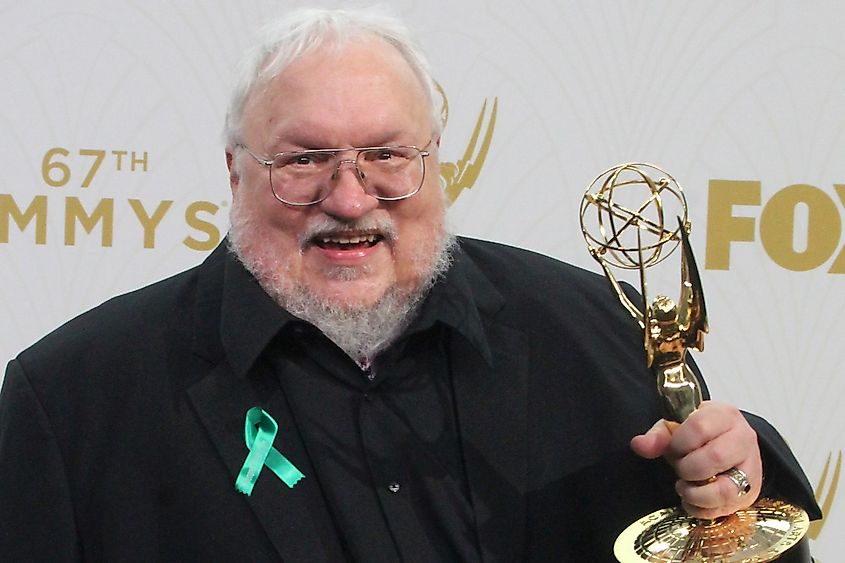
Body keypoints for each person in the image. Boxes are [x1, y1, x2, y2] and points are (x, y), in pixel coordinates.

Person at [0, 8, 820, 562]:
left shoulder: (598, 331)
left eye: (386, 155)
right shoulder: (74, 399)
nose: (350, 198)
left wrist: (736, 487)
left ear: (435, 162)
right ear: (233, 171)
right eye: (303, 160)